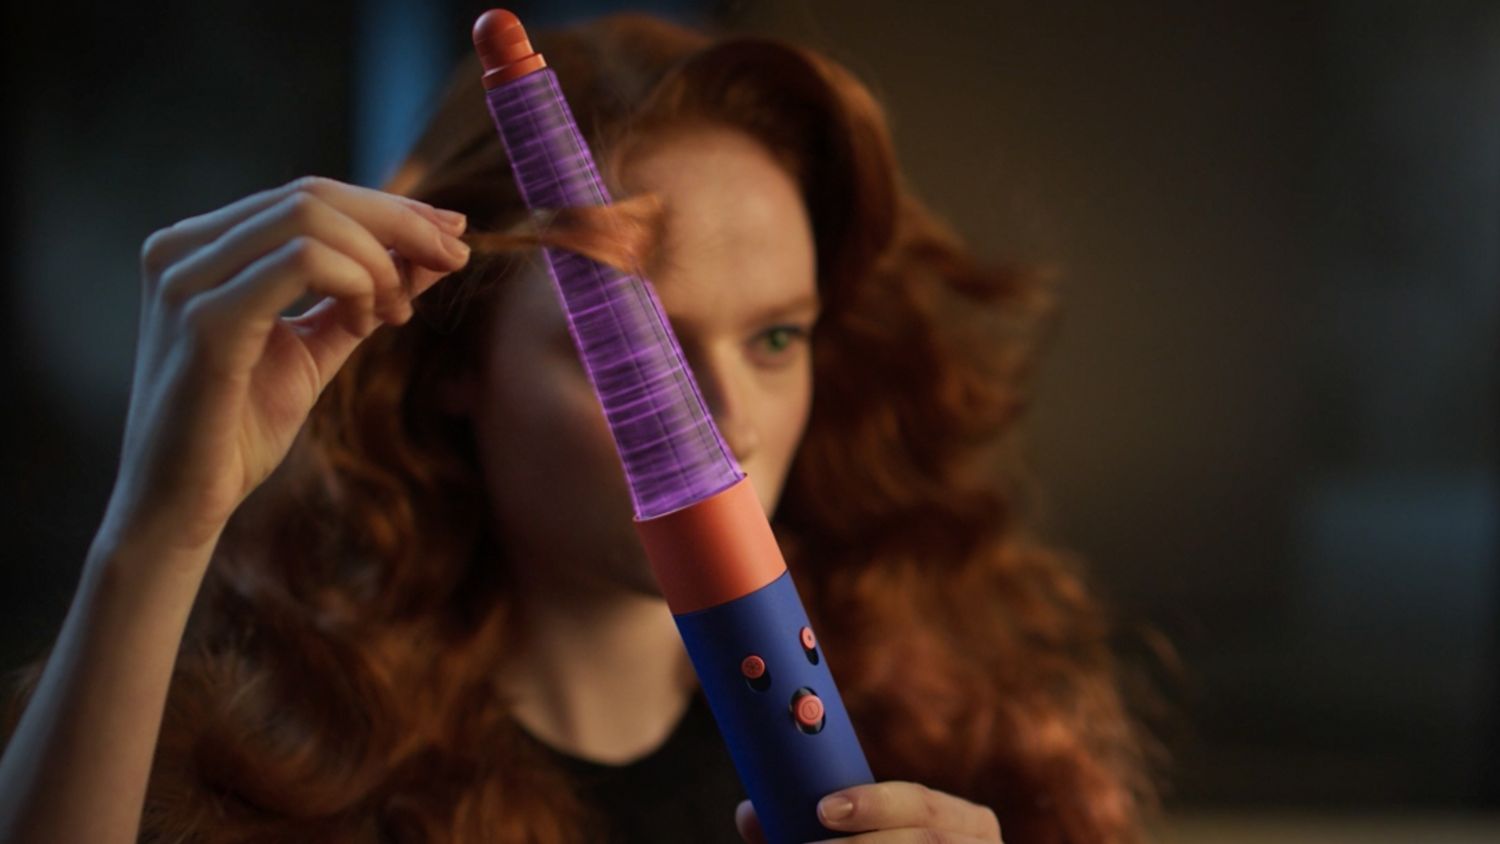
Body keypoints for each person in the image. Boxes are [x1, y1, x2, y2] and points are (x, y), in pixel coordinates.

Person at [0, 12, 1165, 844]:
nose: (726, 422)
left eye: (776, 338)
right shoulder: (272, 762)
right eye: (635, 350)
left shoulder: (962, 745)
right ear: (460, 365)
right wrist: (155, 531)